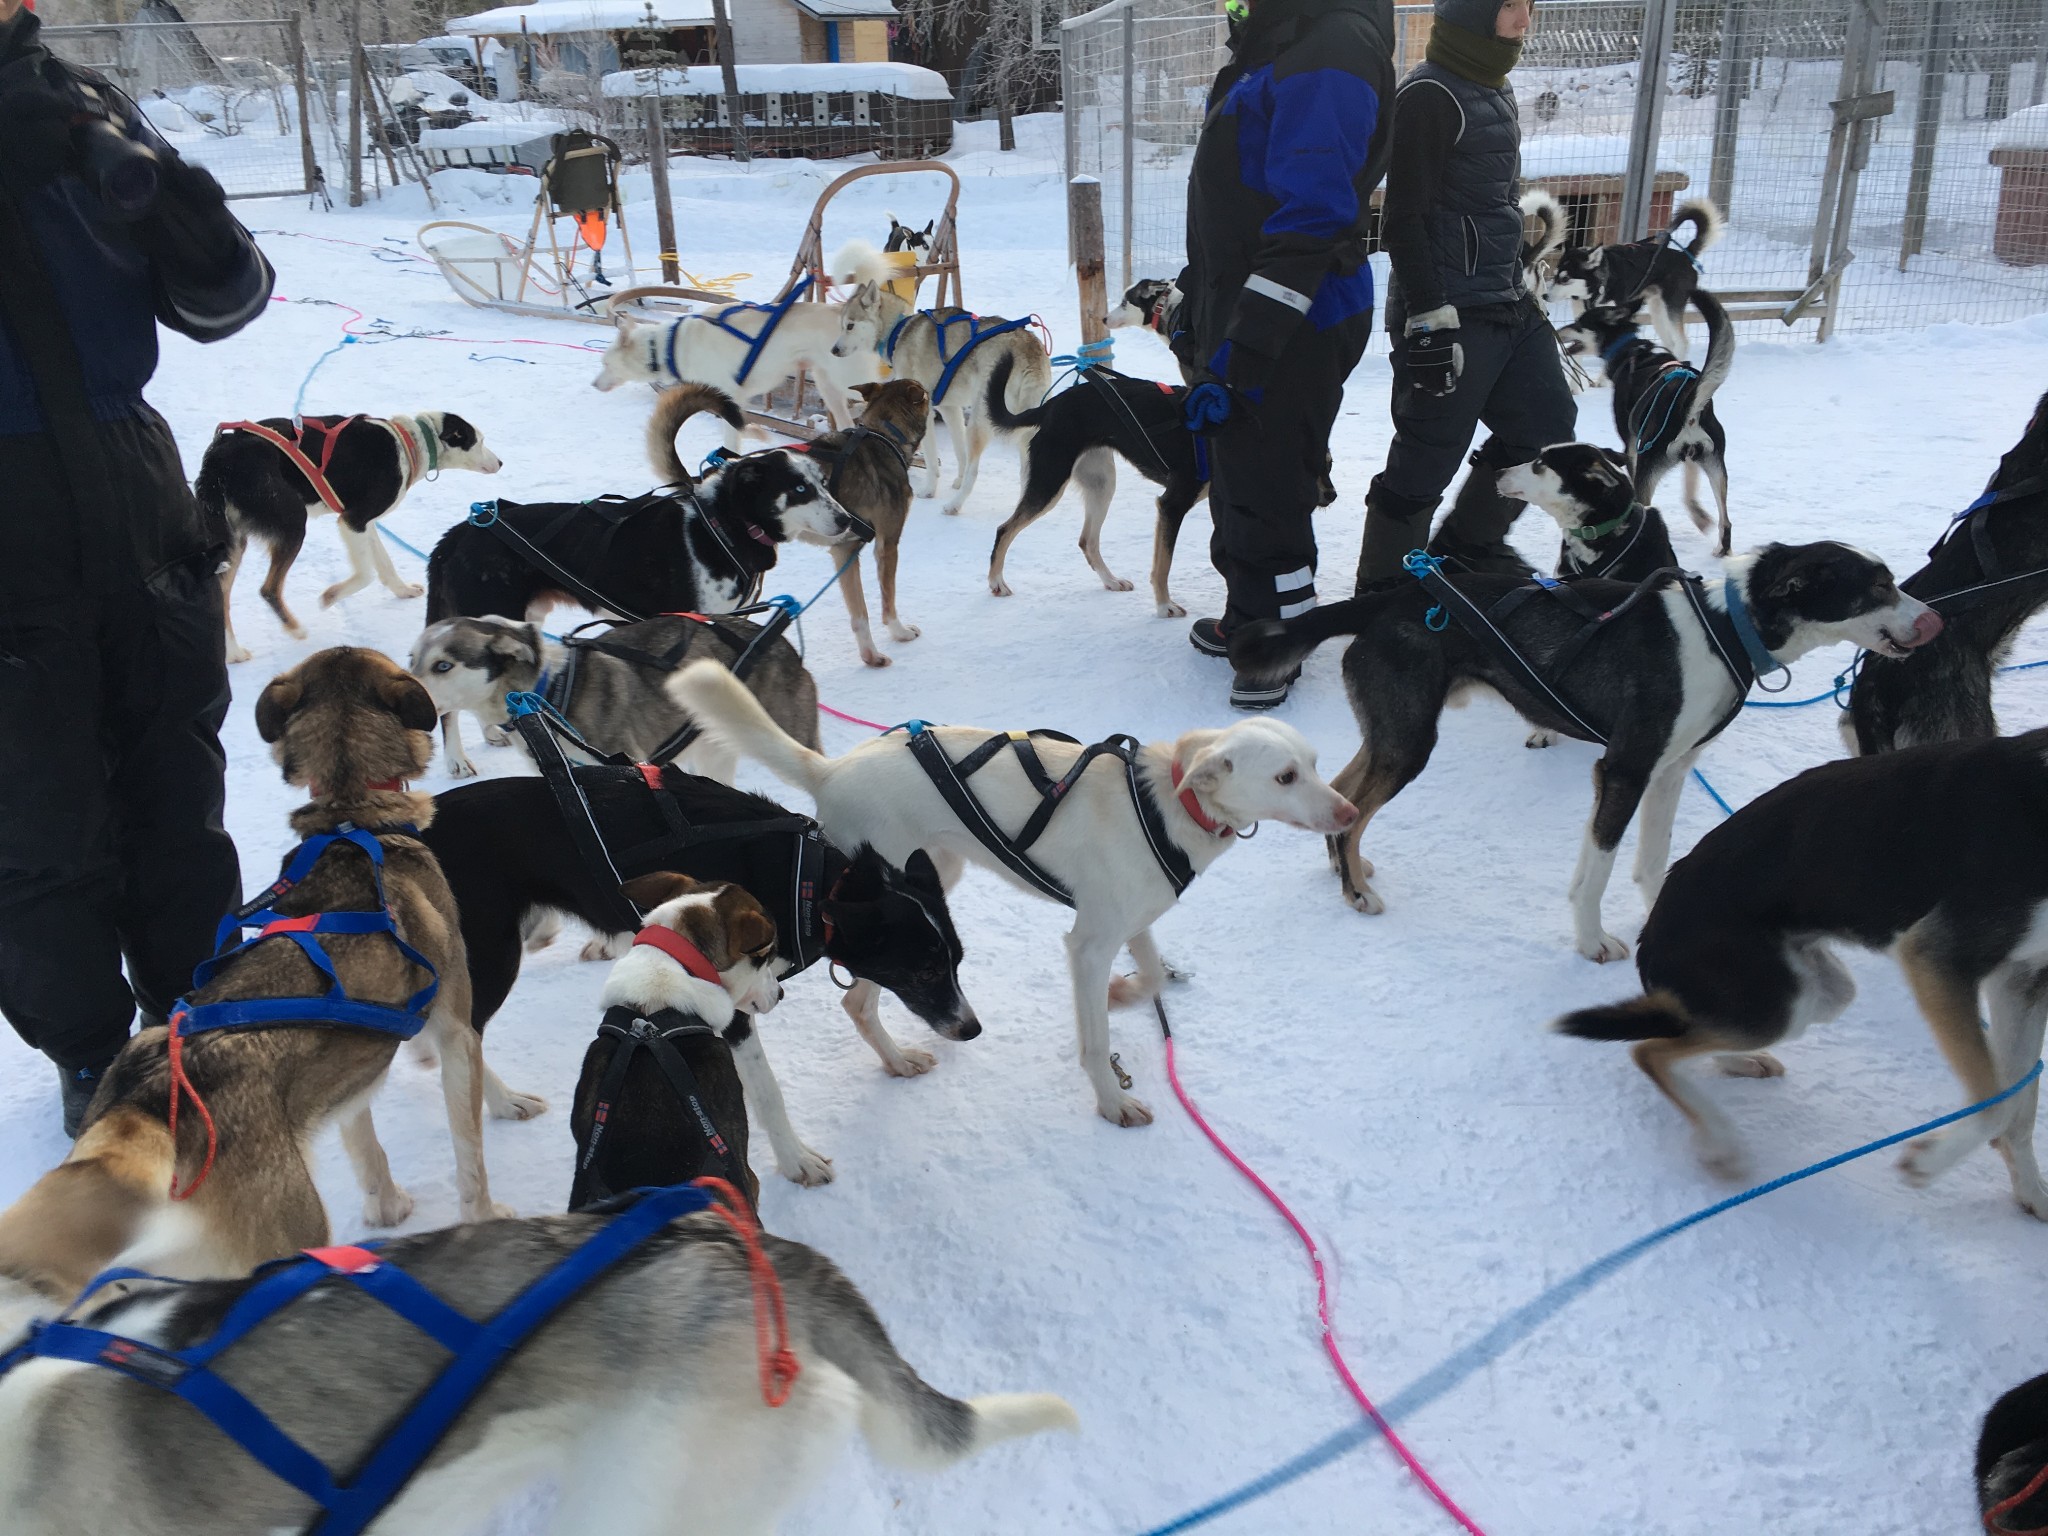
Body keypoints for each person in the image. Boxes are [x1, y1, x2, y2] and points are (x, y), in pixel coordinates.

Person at [0, 0, 274, 1134]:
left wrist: (195, 228)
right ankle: (91, 1057)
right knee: (36, 815)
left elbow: (227, 303)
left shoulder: (84, 106)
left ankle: (196, 1010)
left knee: (175, 775)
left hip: (132, 476)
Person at [1177, 0, 1395, 709]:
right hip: (1248, 306)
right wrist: (1198, 308)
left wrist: (1245, 350)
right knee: (1238, 462)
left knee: (1270, 474)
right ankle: (1250, 613)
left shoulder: (1331, 48)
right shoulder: (1277, 43)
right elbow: (1234, 203)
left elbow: (1312, 214)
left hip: (1295, 315)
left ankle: (1282, 638)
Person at [1354, 0, 1575, 588]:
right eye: (1511, 7)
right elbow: (1404, 217)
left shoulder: (1493, 88)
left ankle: (1468, 546)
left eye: (1528, 7)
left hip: (1506, 300)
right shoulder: (1430, 95)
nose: (1524, 21)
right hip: (1449, 306)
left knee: (1546, 428)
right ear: (1476, 12)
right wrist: (1429, 315)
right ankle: (1384, 591)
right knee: (1427, 453)